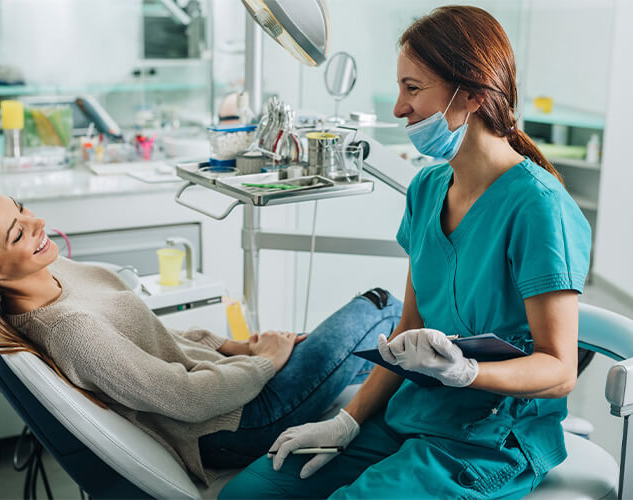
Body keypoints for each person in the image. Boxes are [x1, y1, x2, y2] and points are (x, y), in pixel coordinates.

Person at [219, 5, 591, 499]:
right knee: (247, 494)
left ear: (474, 94)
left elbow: (560, 369)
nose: (399, 108)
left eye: (413, 89)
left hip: (487, 439)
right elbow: (406, 330)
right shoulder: (428, 187)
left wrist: (467, 372)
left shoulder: (538, 208)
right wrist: (346, 423)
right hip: (411, 413)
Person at [0, 185, 403, 486]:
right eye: (17, 232)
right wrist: (265, 362)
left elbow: (148, 331)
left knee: (361, 348)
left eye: (20, 207)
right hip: (234, 425)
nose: (36, 223)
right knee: (382, 306)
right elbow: (184, 399)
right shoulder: (69, 329)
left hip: (229, 384)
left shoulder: (53, 271)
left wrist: (232, 346)